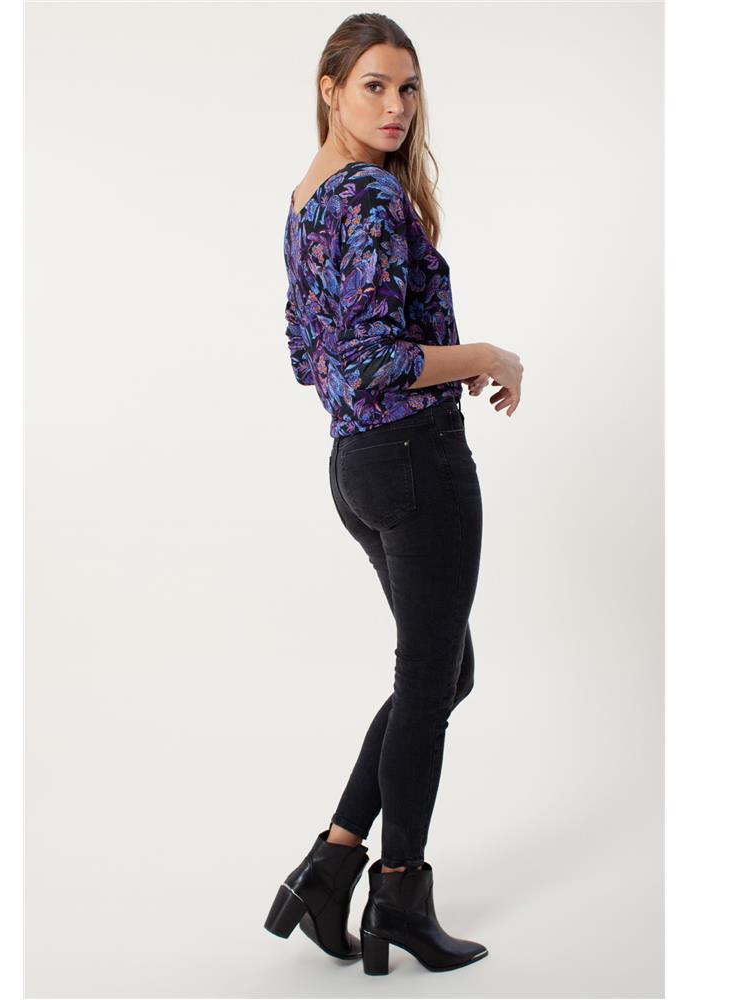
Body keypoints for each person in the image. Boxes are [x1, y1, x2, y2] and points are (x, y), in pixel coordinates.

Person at [263, 13, 523, 976]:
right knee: (430, 683)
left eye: (408, 88)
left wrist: (405, 365)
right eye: (373, 85)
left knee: (442, 673)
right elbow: (373, 356)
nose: (395, 106)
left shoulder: (306, 198)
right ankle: (398, 895)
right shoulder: (371, 196)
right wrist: (486, 355)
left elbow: (312, 359)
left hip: (357, 467)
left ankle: (331, 867)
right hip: (416, 461)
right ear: (329, 87)